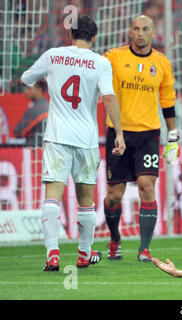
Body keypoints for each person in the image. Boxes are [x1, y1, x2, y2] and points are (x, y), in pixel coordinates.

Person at [20, 16, 126, 271]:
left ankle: (52, 254)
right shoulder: (101, 62)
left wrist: (51, 79)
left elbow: (25, 79)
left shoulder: (53, 55)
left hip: (57, 137)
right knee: (86, 201)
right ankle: (84, 253)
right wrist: (119, 134)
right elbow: (109, 98)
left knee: (52, 197)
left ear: (71, 35)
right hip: (86, 139)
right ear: (94, 37)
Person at [102, 15, 178, 262]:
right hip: (118, 133)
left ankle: (144, 248)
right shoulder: (113, 57)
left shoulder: (162, 63)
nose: (140, 33)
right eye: (136, 29)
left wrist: (173, 136)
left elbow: (167, 101)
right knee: (114, 195)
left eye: (145, 29)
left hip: (148, 134)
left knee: (147, 187)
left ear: (153, 32)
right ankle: (115, 239)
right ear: (130, 31)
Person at [13, 80, 49, 146]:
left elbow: (17, 131)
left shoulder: (37, 108)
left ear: (39, 89)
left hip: (34, 151)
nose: (25, 91)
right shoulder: (47, 104)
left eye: (29, 88)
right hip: (44, 150)